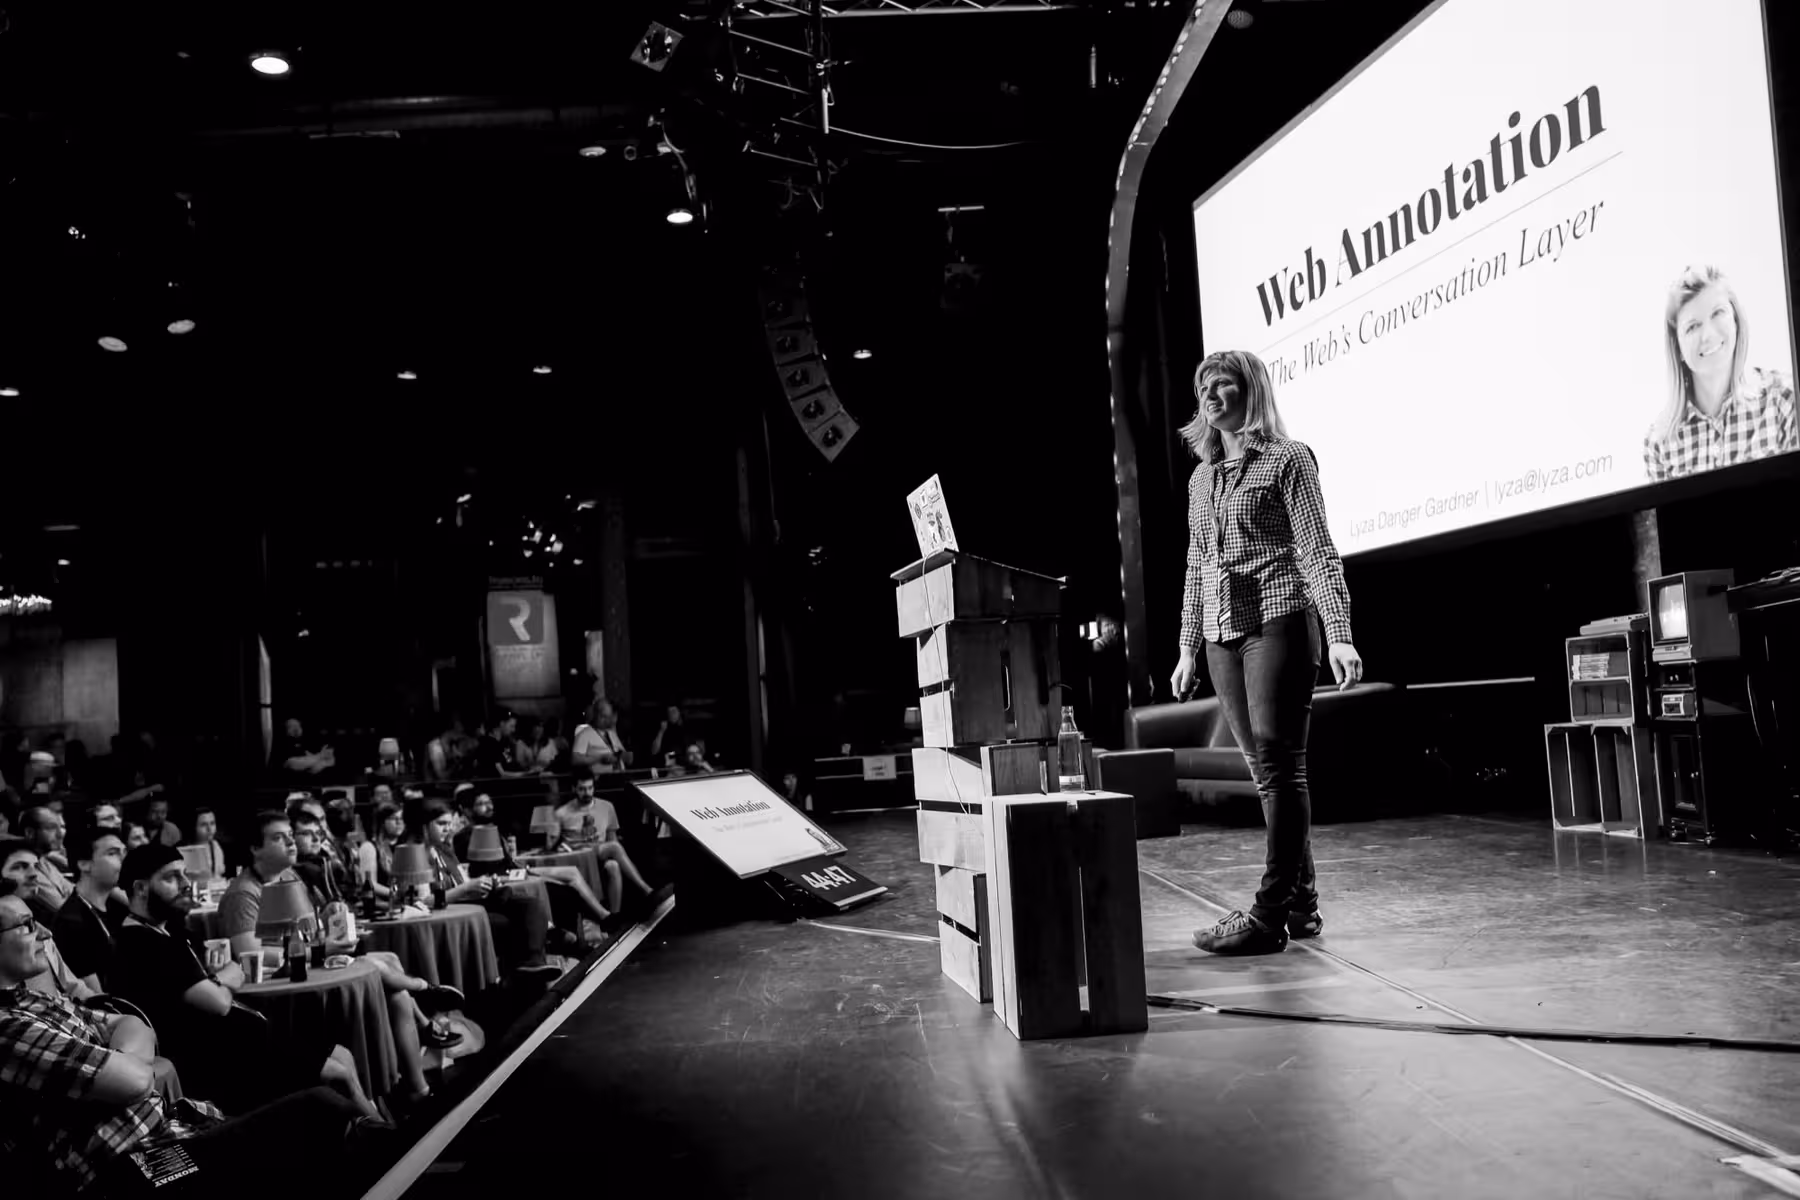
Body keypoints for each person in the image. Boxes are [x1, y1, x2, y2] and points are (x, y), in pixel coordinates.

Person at [1171, 349, 1364, 957]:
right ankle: (1301, 909)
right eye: (1203, 384)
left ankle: (1268, 912)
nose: (1209, 393)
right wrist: (1185, 649)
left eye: (1222, 383)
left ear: (1249, 391)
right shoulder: (1204, 476)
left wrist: (1339, 631)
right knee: (1265, 775)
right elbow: (1195, 565)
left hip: (1278, 620)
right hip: (1220, 631)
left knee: (1282, 769)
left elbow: (1317, 550)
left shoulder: (1287, 460)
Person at [108, 843, 382, 1119]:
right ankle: (386, 1143)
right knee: (339, 1074)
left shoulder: (170, 933)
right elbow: (217, 1003)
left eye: (184, 874)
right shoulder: (141, 944)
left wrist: (220, 979)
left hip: (243, 1037)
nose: (186, 884)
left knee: (344, 1054)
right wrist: (221, 978)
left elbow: (231, 972)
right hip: (219, 1060)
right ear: (141, 888)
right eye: (171, 878)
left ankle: (380, 1131)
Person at [1644, 265, 1798, 482]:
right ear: (1678, 349)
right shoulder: (1659, 443)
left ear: (1735, 320)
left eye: (1718, 313)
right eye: (1692, 327)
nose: (1707, 334)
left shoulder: (1786, 401)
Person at [50, 827, 130, 992]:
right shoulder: (71, 923)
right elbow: (96, 999)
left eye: (124, 852)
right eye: (113, 853)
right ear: (84, 864)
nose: (125, 859)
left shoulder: (118, 906)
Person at [572, 700, 630, 775]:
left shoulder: (611, 733)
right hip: (598, 780)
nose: (607, 720)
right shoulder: (584, 734)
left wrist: (625, 756)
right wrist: (599, 758)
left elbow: (621, 752)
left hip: (619, 777)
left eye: (608, 717)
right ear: (595, 715)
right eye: (603, 716)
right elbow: (575, 760)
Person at [187, 805, 229, 880]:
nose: (209, 829)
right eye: (203, 825)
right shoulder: (189, 850)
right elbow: (201, 879)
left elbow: (219, 874)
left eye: (212, 823)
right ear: (194, 827)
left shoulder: (216, 845)